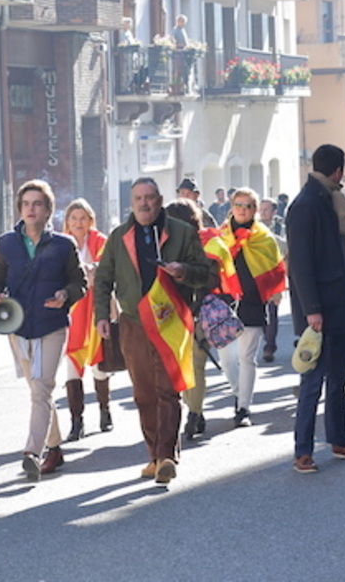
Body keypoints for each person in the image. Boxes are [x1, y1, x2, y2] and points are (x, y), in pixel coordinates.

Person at [94, 177, 210, 484]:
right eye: (138, 199)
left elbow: (205, 273)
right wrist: (102, 316)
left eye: (150, 197)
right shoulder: (119, 237)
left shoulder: (182, 232)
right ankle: (154, 456)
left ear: (159, 200)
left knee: (167, 390)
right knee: (144, 393)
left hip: (170, 320)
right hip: (133, 322)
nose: (145, 203)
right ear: (131, 203)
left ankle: (166, 456)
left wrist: (183, 271)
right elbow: (103, 279)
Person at [0, 180, 87, 481]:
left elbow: (79, 282)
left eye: (37, 204)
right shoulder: (6, 243)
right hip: (18, 326)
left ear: (48, 211)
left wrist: (65, 296)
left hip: (51, 324)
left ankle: (32, 451)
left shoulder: (63, 245)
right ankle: (54, 447)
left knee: (42, 387)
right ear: (20, 209)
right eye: (26, 204)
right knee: (37, 391)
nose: (31, 209)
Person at [288, 144, 345, 474]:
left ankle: (339, 440)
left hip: (338, 302)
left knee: (338, 379)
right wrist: (312, 310)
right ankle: (303, 451)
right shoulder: (306, 205)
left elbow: (336, 252)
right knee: (312, 383)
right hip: (318, 311)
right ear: (338, 171)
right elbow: (301, 264)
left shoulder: (329, 200)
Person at [219, 188, 287, 427]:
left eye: (248, 206)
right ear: (231, 205)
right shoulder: (221, 236)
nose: (242, 209)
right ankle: (238, 393)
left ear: (255, 210)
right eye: (238, 204)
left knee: (247, 358)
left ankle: (243, 408)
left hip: (253, 302)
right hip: (224, 304)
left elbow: (276, 268)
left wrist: (275, 293)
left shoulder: (264, 237)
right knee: (227, 359)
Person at [164, 198, 230, 440]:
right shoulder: (200, 242)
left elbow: (212, 280)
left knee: (194, 363)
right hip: (178, 312)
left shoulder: (206, 244)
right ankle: (195, 412)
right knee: (188, 364)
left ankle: (194, 413)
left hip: (197, 311)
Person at [62, 199, 111, 439]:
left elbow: (108, 266)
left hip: (95, 310)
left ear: (90, 221)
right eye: (73, 219)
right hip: (72, 312)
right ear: (67, 223)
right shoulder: (61, 244)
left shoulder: (100, 241)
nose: (78, 223)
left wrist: (94, 268)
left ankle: (104, 409)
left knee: (99, 367)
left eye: (82, 219)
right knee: (72, 366)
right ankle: (76, 421)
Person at [258, 197, 287, 362]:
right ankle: (266, 337)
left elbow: (286, 248)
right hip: (258, 273)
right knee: (260, 310)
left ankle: (269, 346)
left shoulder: (280, 228)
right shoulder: (255, 227)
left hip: (274, 273)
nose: (262, 213)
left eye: (266, 209)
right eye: (261, 209)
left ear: (274, 211)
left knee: (273, 310)